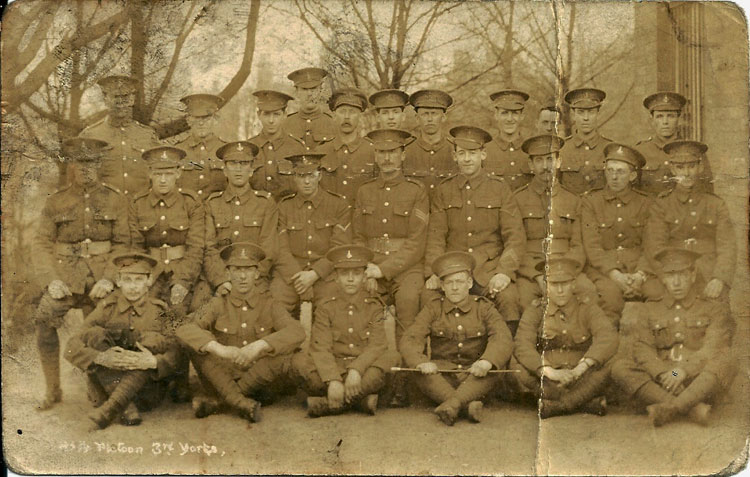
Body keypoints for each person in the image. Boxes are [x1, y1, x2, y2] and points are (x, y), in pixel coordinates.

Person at [32, 138, 130, 410]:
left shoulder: (115, 199)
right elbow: (41, 243)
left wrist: (109, 278)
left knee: (112, 326)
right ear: (72, 165)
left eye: (92, 163)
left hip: (101, 280)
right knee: (44, 320)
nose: (86, 169)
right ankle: (53, 389)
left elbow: (123, 244)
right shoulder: (57, 201)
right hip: (65, 280)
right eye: (81, 163)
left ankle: (103, 384)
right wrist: (51, 280)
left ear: (100, 165)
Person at [176, 242, 305, 422]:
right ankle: (240, 402)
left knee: (284, 353)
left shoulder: (270, 304)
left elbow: (297, 331)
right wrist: (220, 349)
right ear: (227, 273)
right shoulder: (216, 303)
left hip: (258, 381)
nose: (243, 276)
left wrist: (260, 346)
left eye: (249, 270)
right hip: (222, 375)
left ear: (257, 274)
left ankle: (222, 401)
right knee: (198, 348)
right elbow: (184, 327)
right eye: (237, 270)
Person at [611, 248, 735, 426]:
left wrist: (681, 372)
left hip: (697, 379)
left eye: (682, 275)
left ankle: (671, 408)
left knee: (727, 359)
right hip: (664, 378)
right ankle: (692, 408)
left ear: (693, 276)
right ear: (662, 278)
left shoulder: (711, 307)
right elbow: (642, 348)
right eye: (670, 275)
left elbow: (712, 348)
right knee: (620, 367)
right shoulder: (650, 308)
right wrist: (663, 374)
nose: (676, 282)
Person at [352, 128, 430, 407]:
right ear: (375, 155)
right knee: (361, 309)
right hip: (371, 264)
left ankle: (402, 385)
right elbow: (358, 237)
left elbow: (416, 243)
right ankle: (364, 380)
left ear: (402, 154)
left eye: (392, 153)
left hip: (405, 267)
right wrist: (367, 268)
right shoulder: (364, 191)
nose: (387, 158)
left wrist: (383, 270)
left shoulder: (416, 191)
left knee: (409, 302)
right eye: (381, 153)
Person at [64, 252, 182, 430]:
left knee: (150, 343)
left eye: (138, 280)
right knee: (94, 333)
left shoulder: (161, 310)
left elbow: (178, 350)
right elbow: (71, 346)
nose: (133, 287)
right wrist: (100, 358)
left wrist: (153, 362)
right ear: (118, 281)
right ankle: (123, 406)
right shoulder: (106, 307)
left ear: (149, 281)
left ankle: (110, 410)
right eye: (127, 280)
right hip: (106, 387)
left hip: (146, 393)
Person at [426, 125, 525, 334]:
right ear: (454, 156)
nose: (467, 159)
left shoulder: (499, 188)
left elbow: (514, 236)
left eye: (472, 153)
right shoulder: (444, 190)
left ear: (483, 154)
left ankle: (507, 358)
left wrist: (504, 272)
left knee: (508, 298)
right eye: (461, 153)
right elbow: (436, 237)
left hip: (489, 269)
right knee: (428, 297)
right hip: (452, 269)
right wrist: (435, 272)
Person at [401, 251, 513, 426]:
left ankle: (451, 404)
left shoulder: (484, 308)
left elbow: (502, 338)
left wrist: (486, 362)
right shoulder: (433, 308)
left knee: (495, 370)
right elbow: (411, 338)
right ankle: (465, 405)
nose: (454, 288)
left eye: (459, 282)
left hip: (475, 374)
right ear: (442, 286)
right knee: (419, 373)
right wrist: (421, 362)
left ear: (469, 283)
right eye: (449, 282)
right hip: (442, 375)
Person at [129, 146, 205, 401]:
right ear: (149, 173)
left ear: (178, 173)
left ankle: (179, 379)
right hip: (150, 273)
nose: (163, 179)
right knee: (145, 315)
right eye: (158, 173)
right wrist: (143, 279)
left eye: (168, 173)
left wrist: (183, 281)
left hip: (180, 270)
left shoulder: (191, 203)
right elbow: (135, 248)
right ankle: (149, 379)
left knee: (177, 313)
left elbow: (196, 248)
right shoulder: (137, 204)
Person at [289, 245, 400, 417]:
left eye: (356, 273)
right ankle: (360, 400)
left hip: (362, 371)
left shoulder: (375, 306)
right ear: (335, 277)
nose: (350, 279)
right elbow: (321, 347)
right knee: (298, 362)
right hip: (334, 366)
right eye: (344, 274)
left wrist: (356, 370)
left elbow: (377, 345)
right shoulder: (325, 307)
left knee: (393, 358)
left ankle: (329, 404)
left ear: (364, 276)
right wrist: (333, 379)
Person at [513, 258, 618, 418]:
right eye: (555, 284)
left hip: (582, 376)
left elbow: (607, 336)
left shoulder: (587, 308)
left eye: (565, 283)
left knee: (614, 361)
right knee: (514, 363)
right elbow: (522, 344)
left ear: (574, 284)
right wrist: (549, 372)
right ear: (546, 285)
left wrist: (581, 368)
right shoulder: (536, 310)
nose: (560, 290)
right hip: (548, 379)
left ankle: (558, 406)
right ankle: (584, 402)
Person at [643, 141, 735, 303]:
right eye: (680, 167)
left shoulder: (715, 204)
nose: (686, 173)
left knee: (717, 303)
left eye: (691, 166)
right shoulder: (662, 204)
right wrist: (669, 277)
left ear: (700, 167)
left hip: (708, 271)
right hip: (674, 270)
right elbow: (655, 247)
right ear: (672, 169)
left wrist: (719, 278)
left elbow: (727, 246)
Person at [581, 143, 664, 323]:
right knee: (609, 299)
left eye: (620, 171)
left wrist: (640, 275)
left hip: (640, 270)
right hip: (604, 272)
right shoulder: (591, 202)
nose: (614, 177)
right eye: (610, 171)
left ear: (633, 175)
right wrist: (615, 275)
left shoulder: (647, 203)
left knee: (658, 294)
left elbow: (652, 244)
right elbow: (592, 246)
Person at [514, 134, 594, 315]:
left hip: (566, 268)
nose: (545, 166)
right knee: (523, 298)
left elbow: (578, 245)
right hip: (531, 272)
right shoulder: (517, 200)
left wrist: (563, 274)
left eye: (550, 159)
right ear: (530, 165)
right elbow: (515, 244)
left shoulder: (574, 200)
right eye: (539, 160)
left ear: (559, 162)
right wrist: (536, 276)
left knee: (586, 290)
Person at [272, 153, 352, 311]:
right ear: (294, 177)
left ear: (320, 175)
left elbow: (339, 248)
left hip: (325, 274)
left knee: (331, 307)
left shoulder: (337, 205)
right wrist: (299, 278)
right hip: (291, 274)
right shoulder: (284, 207)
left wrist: (314, 274)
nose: (307, 181)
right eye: (301, 176)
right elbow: (281, 249)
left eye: (311, 175)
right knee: (275, 303)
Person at [202, 141, 278, 303]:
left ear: (251, 170)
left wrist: (248, 282)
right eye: (233, 164)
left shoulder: (265, 203)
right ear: (224, 169)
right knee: (200, 309)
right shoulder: (212, 203)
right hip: (221, 279)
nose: (238, 169)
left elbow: (268, 249)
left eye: (244, 164)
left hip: (256, 280)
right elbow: (209, 249)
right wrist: (221, 281)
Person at [79, 75, 161, 197]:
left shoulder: (148, 135)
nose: (121, 103)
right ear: (105, 99)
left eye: (125, 98)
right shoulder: (90, 135)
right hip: (105, 210)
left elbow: (159, 174)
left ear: (132, 99)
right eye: (116, 97)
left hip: (140, 209)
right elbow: (80, 179)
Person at [634, 92, 714, 195]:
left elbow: (706, 190)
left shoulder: (694, 150)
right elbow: (634, 192)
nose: (665, 122)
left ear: (679, 119)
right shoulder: (640, 151)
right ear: (651, 120)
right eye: (659, 116)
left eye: (670, 116)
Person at [319, 88, 376, 205]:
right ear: (334, 115)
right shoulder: (321, 151)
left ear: (360, 116)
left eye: (352, 111)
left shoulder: (372, 151)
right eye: (342, 111)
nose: (347, 117)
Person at [249, 90, 307, 200]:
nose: (271, 120)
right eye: (266, 114)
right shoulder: (249, 148)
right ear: (258, 115)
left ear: (285, 115)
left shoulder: (297, 148)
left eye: (276, 114)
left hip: (288, 213)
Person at [171, 93, 228, 198]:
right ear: (188, 120)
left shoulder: (226, 151)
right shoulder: (177, 151)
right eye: (196, 118)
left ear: (215, 119)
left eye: (206, 118)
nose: (201, 123)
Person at [558, 88, 613, 195]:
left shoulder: (610, 148)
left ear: (598, 114)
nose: (586, 118)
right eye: (581, 112)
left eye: (591, 112)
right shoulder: (562, 149)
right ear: (573, 114)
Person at [404, 89, 457, 192]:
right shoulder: (406, 151)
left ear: (443, 117)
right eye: (425, 114)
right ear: (417, 118)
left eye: (434, 113)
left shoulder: (456, 150)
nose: (430, 119)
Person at [484, 89, 533, 190]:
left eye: (515, 113)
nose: (509, 119)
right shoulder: (485, 151)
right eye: (504, 113)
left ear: (522, 116)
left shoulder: (532, 150)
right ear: (496, 115)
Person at [283, 67, 336, 149]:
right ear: (297, 92)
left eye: (313, 88)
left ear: (320, 90)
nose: (309, 94)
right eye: (304, 89)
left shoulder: (332, 124)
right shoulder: (285, 125)